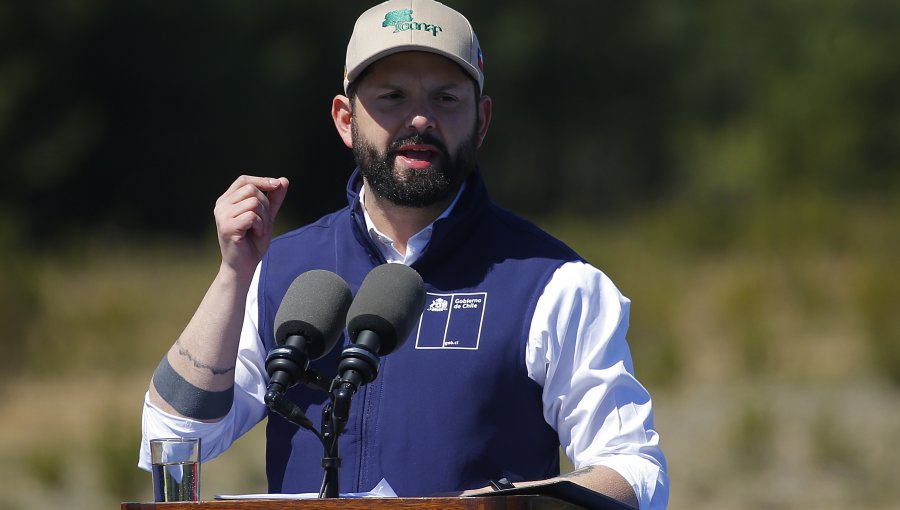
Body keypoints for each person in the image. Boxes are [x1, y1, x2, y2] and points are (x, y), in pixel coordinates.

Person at [139, 1, 668, 508]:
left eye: (445, 99)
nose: (419, 120)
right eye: (392, 97)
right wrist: (234, 273)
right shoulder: (279, 270)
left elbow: (635, 472)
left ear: (481, 120)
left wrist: (508, 506)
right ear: (345, 120)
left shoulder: (556, 283)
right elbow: (175, 438)